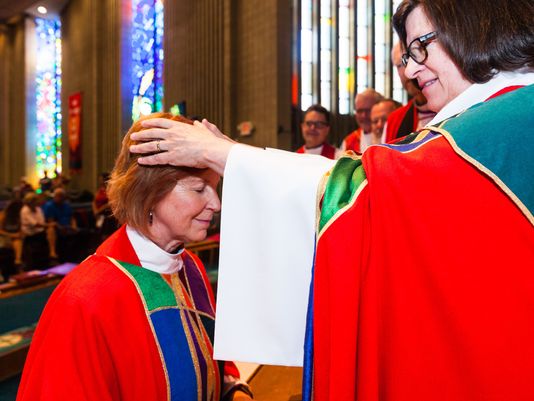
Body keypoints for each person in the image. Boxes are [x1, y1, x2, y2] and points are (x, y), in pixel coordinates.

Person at [129, 0, 534, 399]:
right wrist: (233, 154)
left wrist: (222, 155)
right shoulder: (500, 116)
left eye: (420, 46)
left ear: (474, 24)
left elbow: (369, 195)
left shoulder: (505, 121)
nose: (410, 70)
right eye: (408, 54)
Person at [17, 113, 253, 401]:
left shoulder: (190, 268)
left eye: (215, 188)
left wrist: (233, 388)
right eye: (199, 188)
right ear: (151, 192)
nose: (215, 204)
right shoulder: (86, 299)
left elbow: (208, 353)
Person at [384, 41, 436, 142]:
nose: (406, 72)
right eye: (399, 65)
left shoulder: (454, 113)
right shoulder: (394, 121)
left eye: (409, 60)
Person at [340, 89, 383, 153]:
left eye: (368, 110)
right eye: (360, 111)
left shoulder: (389, 135)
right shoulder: (349, 142)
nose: (364, 116)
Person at [20, 192, 50, 270]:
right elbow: (35, 224)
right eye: (36, 200)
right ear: (31, 201)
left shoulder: (38, 209)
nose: (38, 202)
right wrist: (49, 225)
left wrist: (45, 226)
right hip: (30, 236)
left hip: (40, 233)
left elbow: (42, 222)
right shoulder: (25, 210)